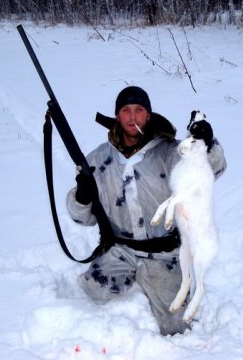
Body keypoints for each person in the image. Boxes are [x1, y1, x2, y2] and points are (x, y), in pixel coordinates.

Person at [66, 86, 227, 335]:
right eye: (126, 110)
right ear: (117, 116)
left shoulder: (170, 152)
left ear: (148, 115)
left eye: (139, 110)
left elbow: (211, 170)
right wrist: (83, 196)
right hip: (120, 251)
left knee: (177, 325)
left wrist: (204, 143)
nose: (132, 117)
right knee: (89, 295)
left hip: (165, 254)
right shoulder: (97, 160)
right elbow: (81, 217)